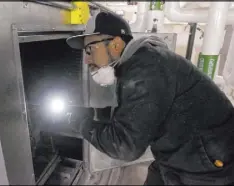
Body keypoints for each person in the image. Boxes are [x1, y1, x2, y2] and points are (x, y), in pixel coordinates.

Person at [66, 11, 234, 185]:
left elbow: (125, 147)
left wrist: (80, 122)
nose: (86, 60)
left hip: (207, 164)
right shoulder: (143, 61)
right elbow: (134, 113)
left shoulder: (145, 70)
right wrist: (93, 113)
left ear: (115, 45)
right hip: (183, 152)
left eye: (89, 49)